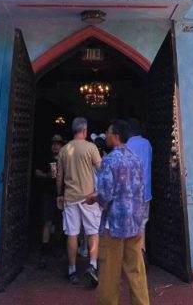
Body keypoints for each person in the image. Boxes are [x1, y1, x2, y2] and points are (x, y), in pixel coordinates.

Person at [86, 120, 148, 305]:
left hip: (113, 225)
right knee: (136, 270)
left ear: (116, 136)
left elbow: (105, 193)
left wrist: (93, 198)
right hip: (135, 222)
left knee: (109, 272)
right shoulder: (136, 160)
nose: (106, 135)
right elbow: (139, 189)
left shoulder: (110, 160)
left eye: (108, 132)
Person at [56, 116, 102, 286]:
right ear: (84, 130)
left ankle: (72, 269)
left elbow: (59, 176)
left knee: (72, 233)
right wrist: (99, 191)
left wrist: (59, 193)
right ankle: (92, 265)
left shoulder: (63, 150)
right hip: (89, 197)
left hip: (70, 197)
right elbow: (101, 170)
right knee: (92, 232)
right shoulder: (91, 147)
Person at [34, 134, 64, 268]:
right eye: (54, 143)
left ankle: (58, 246)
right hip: (48, 194)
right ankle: (44, 250)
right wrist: (48, 175)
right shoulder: (45, 158)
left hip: (62, 195)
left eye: (58, 143)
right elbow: (37, 173)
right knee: (47, 221)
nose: (55, 146)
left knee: (59, 222)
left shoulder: (66, 159)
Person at [125, 119, 152, 238]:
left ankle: (132, 254)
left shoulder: (126, 146)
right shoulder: (147, 143)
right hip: (145, 191)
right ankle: (142, 252)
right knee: (142, 224)